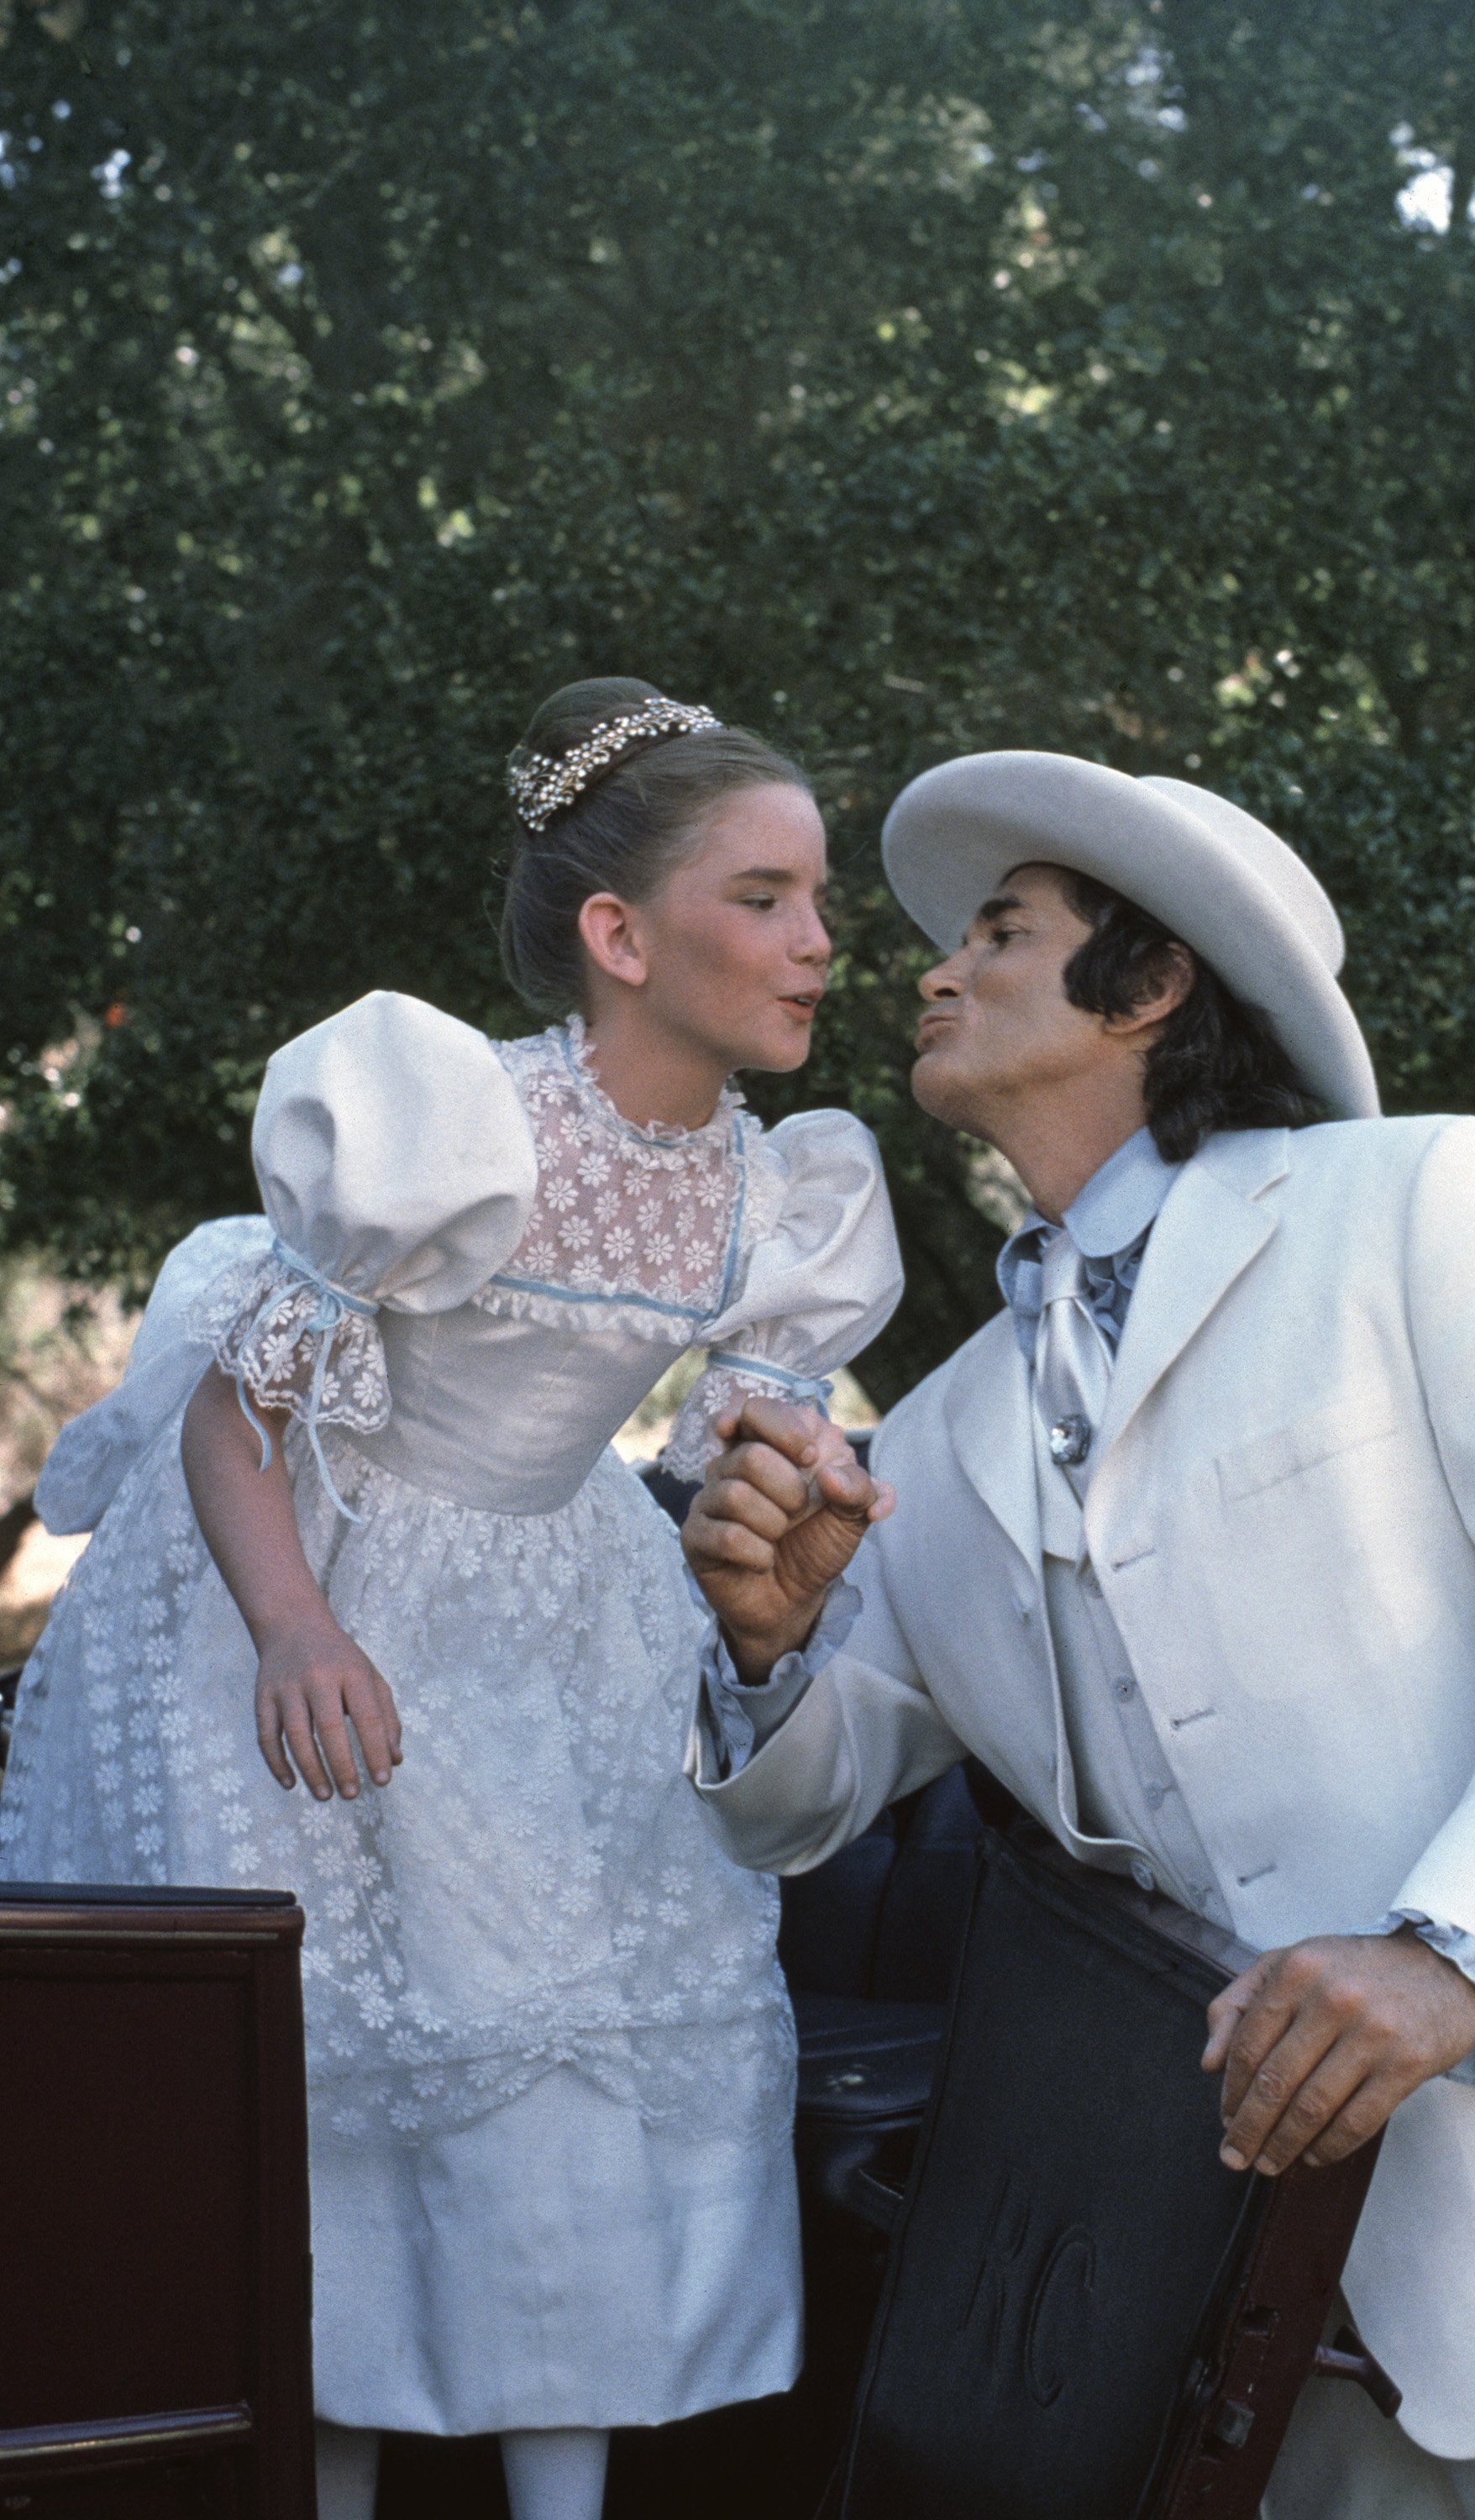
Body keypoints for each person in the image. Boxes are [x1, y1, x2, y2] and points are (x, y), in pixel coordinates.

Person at [680, 749, 1475, 2520]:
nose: (935, 970)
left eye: (1003, 931)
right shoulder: (946, 1438)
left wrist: (1455, 1956)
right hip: (1212, 2321)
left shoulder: (1418, 1199)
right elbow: (798, 1807)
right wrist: (760, 1643)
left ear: (1154, 978)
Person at [0, 678, 903, 2520]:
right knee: (337, 2070)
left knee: (566, 2051)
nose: (820, 944)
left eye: (823, 903)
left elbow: (757, 1405)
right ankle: (312, 2475)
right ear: (616, 935)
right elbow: (243, 1418)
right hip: (336, 1587)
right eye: (765, 899)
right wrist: (296, 1629)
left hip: (563, 1616)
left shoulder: (775, 1186)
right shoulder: (458, 1127)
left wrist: (769, 1438)